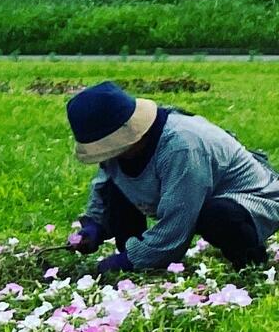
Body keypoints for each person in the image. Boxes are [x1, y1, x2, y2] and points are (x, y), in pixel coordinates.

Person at [65, 81, 279, 274]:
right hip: (195, 196)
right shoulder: (123, 150)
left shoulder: (181, 147)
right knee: (118, 189)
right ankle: (136, 262)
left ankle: (250, 262)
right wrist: (95, 226)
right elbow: (107, 183)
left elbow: (177, 222)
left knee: (216, 215)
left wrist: (129, 260)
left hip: (251, 200)